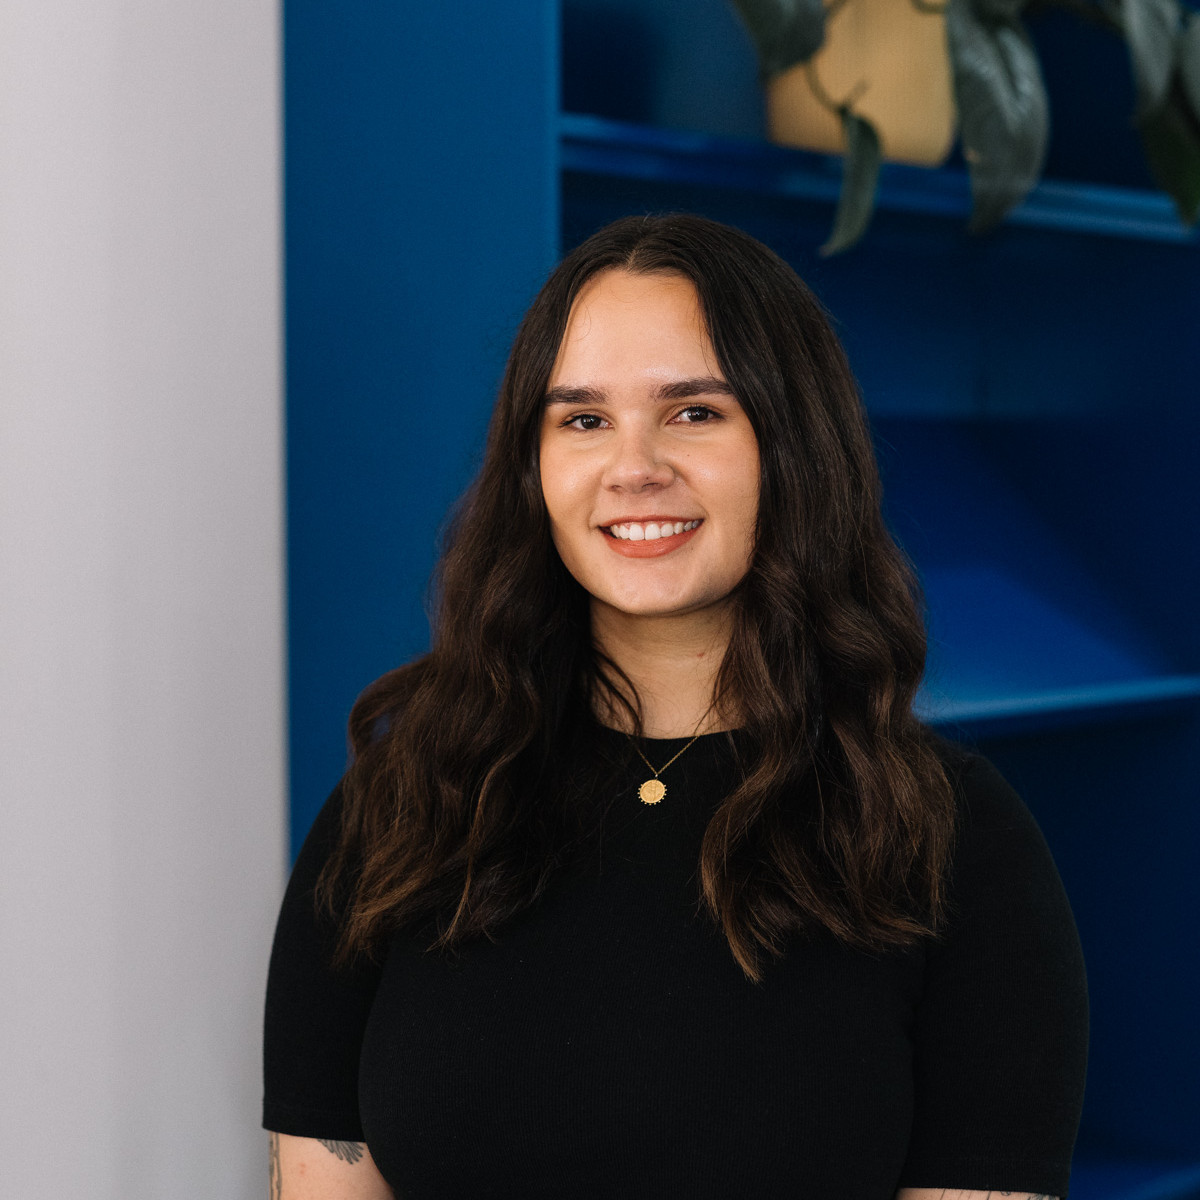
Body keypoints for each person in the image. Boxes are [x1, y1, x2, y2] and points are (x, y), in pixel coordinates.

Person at [262, 213, 1088, 1200]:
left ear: (792, 446)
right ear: (534, 470)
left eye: (694, 412)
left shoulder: (949, 838)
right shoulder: (403, 809)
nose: (634, 465)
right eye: (582, 418)